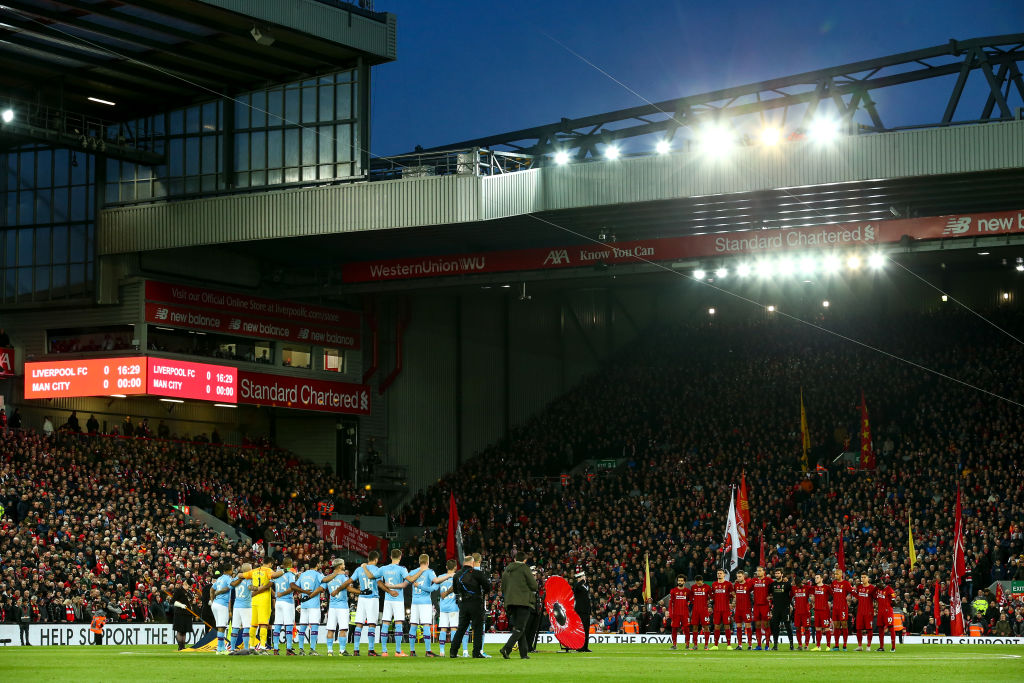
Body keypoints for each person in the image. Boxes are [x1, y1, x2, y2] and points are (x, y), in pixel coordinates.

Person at [379, 548, 425, 656]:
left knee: (385, 623)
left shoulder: (383, 568)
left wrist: (388, 589)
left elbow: (376, 579)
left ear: (390, 557)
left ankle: (384, 651)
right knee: (398, 623)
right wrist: (421, 571)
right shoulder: (402, 569)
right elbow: (410, 579)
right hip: (398, 600)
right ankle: (398, 651)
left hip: (387, 599)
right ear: (400, 557)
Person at [450, 552, 490, 659]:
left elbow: (455, 590)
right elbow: (487, 586)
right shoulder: (477, 574)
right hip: (476, 603)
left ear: (464, 563)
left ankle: (453, 651)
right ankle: (476, 652)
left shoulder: (457, 574)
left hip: (463, 604)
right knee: (477, 629)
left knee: (461, 628)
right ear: (472, 563)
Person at [500, 551, 538, 660]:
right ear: (525, 560)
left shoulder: (507, 569)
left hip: (510, 602)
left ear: (515, 559)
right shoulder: (524, 568)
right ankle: (506, 648)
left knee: (519, 628)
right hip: (523, 601)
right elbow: (534, 585)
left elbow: (503, 586)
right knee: (520, 628)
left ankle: (524, 654)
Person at [409, 553, 448, 656]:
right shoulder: (429, 572)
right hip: (425, 601)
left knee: (413, 625)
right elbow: (436, 580)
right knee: (426, 625)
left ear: (419, 562)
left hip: (414, 602)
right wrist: (447, 576)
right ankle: (428, 651)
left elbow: (408, 581)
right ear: (428, 562)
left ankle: (412, 651)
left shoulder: (413, 572)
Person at [240, 557, 283, 651]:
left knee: (254, 624)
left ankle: (251, 646)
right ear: (270, 564)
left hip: (254, 600)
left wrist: (254, 587)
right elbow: (274, 575)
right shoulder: (268, 570)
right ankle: (263, 646)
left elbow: (240, 575)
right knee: (263, 624)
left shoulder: (254, 571)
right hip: (264, 600)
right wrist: (285, 570)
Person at [351, 550, 387, 656]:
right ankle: (371, 650)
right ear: (376, 559)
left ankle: (356, 649)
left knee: (359, 624)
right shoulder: (378, 569)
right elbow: (379, 583)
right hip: (372, 598)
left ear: (368, 559)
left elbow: (351, 580)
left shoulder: (359, 569)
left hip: (362, 598)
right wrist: (388, 590)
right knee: (372, 624)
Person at [320, 559, 356, 656]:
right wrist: (361, 592)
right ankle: (342, 650)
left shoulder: (329, 577)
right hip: (342, 606)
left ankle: (330, 651)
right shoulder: (344, 576)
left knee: (331, 629)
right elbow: (348, 588)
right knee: (343, 629)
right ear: (340, 566)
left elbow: (322, 585)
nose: (344, 565)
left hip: (332, 607)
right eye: (343, 564)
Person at [271, 559, 299, 655]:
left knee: (278, 624)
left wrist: (276, 595)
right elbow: (292, 587)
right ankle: (289, 649)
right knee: (289, 625)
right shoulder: (290, 574)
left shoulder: (277, 574)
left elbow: (269, 585)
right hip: (287, 602)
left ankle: (275, 648)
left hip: (278, 602)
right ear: (290, 564)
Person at [228, 563, 254, 654]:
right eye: (251, 569)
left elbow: (232, 585)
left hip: (236, 606)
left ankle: (232, 648)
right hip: (246, 606)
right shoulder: (248, 579)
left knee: (235, 627)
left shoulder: (236, 578)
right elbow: (250, 587)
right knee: (246, 627)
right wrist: (258, 588)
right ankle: (246, 648)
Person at [437, 559, 460, 657]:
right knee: (454, 628)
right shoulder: (457, 577)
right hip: (453, 607)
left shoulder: (440, 577)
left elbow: (434, 587)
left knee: (443, 628)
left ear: (446, 567)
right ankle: (453, 651)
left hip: (443, 607)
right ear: (455, 567)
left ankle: (442, 651)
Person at [209, 566, 234, 654]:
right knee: (221, 626)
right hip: (222, 604)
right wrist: (220, 592)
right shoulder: (228, 578)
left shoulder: (219, 579)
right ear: (229, 570)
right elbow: (229, 587)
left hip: (215, 604)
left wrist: (212, 601)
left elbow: (211, 589)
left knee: (220, 626)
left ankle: (221, 647)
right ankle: (220, 648)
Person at [769, 568, 793, 650]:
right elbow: (770, 595)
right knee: (775, 627)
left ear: (782, 574)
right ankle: (775, 645)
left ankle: (791, 644)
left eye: (778, 573)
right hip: (776, 608)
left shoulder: (787, 583)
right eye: (776, 573)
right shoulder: (773, 584)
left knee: (787, 626)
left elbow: (792, 593)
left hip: (785, 608)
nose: (777, 575)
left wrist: (790, 605)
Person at [830, 568, 854, 650]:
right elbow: (832, 593)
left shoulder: (846, 583)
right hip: (835, 607)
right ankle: (836, 645)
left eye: (837, 574)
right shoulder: (833, 583)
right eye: (835, 574)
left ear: (841, 575)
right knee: (836, 626)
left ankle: (844, 645)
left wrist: (850, 597)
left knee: (844, 625)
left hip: (843, 607)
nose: (835, 575)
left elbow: (852, 591)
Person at [666, 574, 691, 650]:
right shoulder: (673, 591)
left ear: (684, 582)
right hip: (676, 613)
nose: (680, 582)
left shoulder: (687, 591)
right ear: (677, 581)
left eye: (681, 581)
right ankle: (674, 644)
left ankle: (687, 644)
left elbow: (690, 602)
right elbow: (670, 603)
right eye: (679, 580)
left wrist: (688, 610)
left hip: (685, 613)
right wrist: (670, 613)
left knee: (686, 628)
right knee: (674, 628)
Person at [711, 568, 734, 649]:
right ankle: (715, 645)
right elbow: (712, 596)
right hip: (717, 609)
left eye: (721, 573)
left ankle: (729, 645)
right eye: (718, 573)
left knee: (727, 626)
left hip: (726, 609)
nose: (719, 574)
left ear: (724, 575)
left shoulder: (728, 584)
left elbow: (733, 595)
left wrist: (733, 603)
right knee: (716, 626)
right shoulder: (714, 584)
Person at [853, 573, 876, 651]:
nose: (863, 579)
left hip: (868, 612)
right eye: (862, 577)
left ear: (868, 578)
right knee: (858, 629)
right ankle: (860, 646)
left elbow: (876, 599)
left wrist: (875, 609)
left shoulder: (872, 588)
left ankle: (868, 646)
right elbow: (857, 596)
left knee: (869, 629)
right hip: (860, 611)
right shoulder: (859, 587)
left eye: (864, 577)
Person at [751, 567, 772, 650]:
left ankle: (767, 645)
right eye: (757, 571)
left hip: (765, 606)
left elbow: (775, 587)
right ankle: (759, 645)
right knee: (757, 625)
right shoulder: (753, 580)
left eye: (760, 571)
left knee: (766, 625)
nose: (758, 572)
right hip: (756, 606)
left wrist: (770, 596)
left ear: (764, 572)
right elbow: (747, 588)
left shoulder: (768, 580)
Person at [572, 570, 593, 653]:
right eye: (582, 577)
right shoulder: (578, 586)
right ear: (579, 578)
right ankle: (580, 646)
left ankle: (585, 647)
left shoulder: (585, 586)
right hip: (580, 611)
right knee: (581, 629)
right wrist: (581, 581)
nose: (585, 578)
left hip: (586, 611)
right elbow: (576, 588)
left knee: (586, 630)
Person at [811, 573, 832, 651]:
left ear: (822, 579)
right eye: (815, 578)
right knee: (817, 628)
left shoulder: (826, 587)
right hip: (817, 610)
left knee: (826, 628)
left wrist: (829, 603)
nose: (816, 579)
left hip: (824, 611)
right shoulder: (815, 588)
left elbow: (833, 595)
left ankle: (828, 646)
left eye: (817, 577)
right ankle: (818, 646)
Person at [874, 578, 897, 652]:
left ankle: (893, 647)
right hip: (880, 612)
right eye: (877, 585)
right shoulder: (877, 590)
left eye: (879, 584)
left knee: (891, 627)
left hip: (887, 612)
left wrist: (891, 603)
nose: (878, 586)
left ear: (882, 583)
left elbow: (894, 602)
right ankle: (881, 647)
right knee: (880, 628)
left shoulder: (889, 589)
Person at [689, 575, 712, 649]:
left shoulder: (707, 587)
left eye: (699, 583)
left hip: (704, 610)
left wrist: (708, 602)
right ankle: (695, 645)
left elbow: (712, 596)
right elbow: (691, 597)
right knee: (695, 627)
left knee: (706, 627)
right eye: (697, 583)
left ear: (702, 581)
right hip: (695, 610)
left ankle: (706, 645)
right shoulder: (693, 587)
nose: (698, 584)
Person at [733, 570, 753, 650]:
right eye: (737, 576)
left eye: (740, 576)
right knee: (738, 626)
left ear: (744, 576)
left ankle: (750, 645)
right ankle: (740, 645)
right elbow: (734, 594)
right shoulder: (736, 585)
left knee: (748, 626)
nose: (738, 578)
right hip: (738, 609)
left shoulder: (748, 585)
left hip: (746, 609)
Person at [791, 573, 812, 650]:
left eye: (794, 581)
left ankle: (806, 645)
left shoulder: (806, 588)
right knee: (798, 628)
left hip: (805, 612)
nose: (793, 583)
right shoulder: (793, 588)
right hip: (797, 612)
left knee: (806, 628)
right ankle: (800, 645)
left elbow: (813, 591)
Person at [171, 583, 194, 651]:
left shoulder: (189, 592)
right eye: (187, 584)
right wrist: (181, 605)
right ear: (184, 584)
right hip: (180, 613)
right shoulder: (178, 591)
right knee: (180, 631)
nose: (189, 586)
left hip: (188, 614)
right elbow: (172, 601)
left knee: (184, 631)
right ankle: (180, 646)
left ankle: (183, 646)